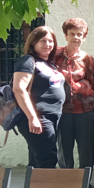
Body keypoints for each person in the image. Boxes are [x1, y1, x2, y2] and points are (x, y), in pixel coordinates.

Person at [12, 26, 66, 168]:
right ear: (33, 42)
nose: (47, 44)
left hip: (52, 117)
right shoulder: (28, 61)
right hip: (39, 117)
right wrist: (33, 117)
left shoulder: (49, 63)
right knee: (47, 158)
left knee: (37, 160)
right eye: (42, 41)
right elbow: (18, 89)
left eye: (50, 41)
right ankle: (45, 184)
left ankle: (34, 183)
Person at [55, 17, 94, 171]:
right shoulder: (56, 55)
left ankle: (85, 180)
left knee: (86, 148)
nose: (76, 37)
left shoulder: (87, 58)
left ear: (84, 37)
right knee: (64, 148)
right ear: (66, 35)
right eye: (72, 33)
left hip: (86, 111)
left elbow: (93, 82)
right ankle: (66, 180)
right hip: (63, 110)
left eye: (79, 34)